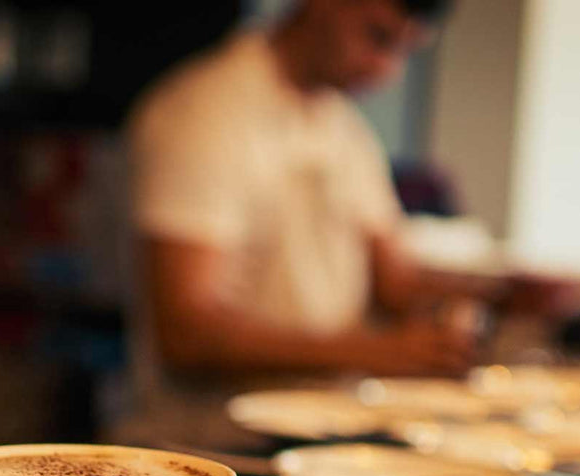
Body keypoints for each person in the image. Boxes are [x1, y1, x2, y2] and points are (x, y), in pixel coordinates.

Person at [126, 0, 490, 386]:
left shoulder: (343, 126)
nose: (385, 70)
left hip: (324, 412)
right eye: (377, 36)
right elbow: (187, 333)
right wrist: (380, 351)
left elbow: (395, 281)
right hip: (216, 430)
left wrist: (505, 294)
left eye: (405, 50)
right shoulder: (205, 112)